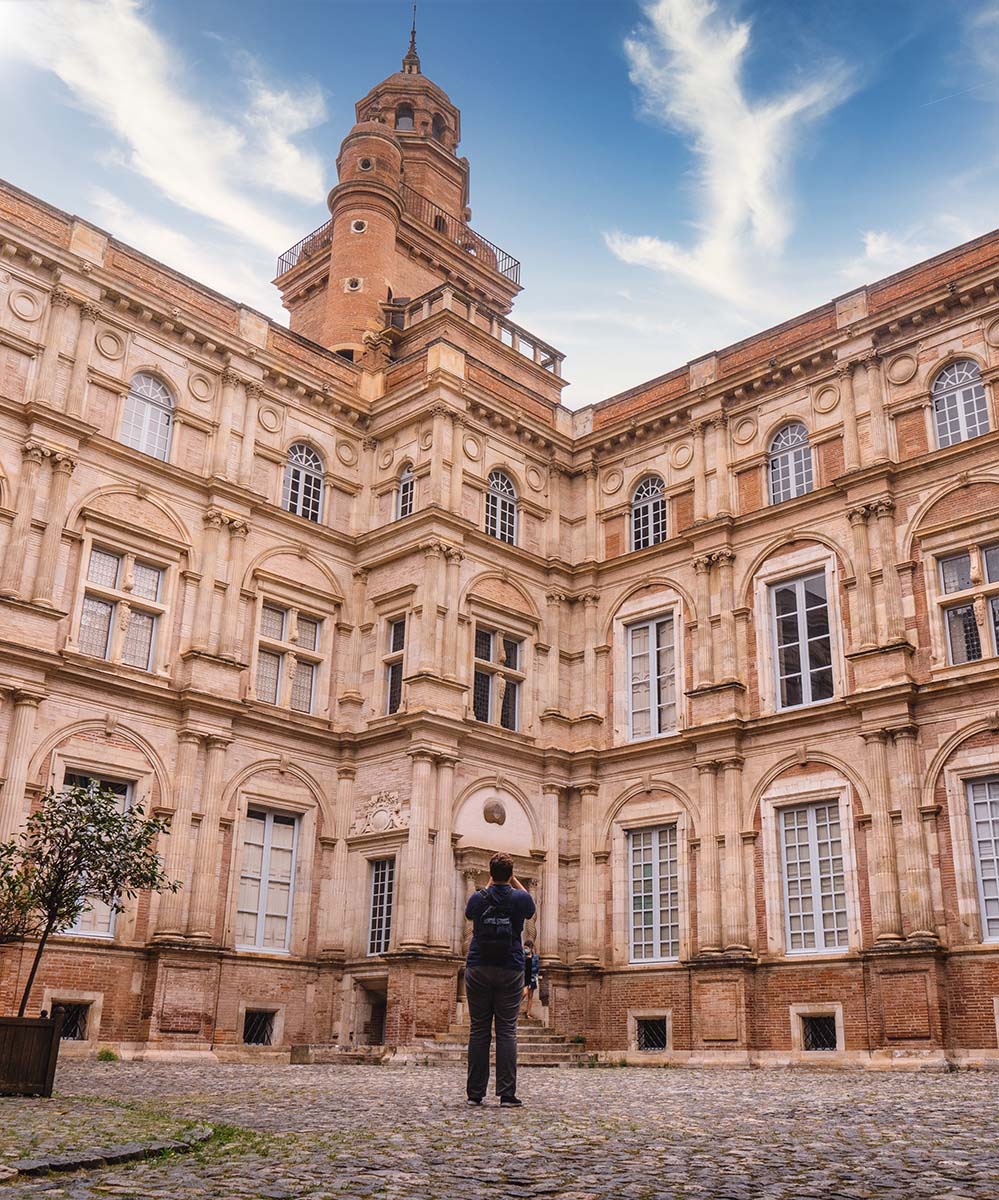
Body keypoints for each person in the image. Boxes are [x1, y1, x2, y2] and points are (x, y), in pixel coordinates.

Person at [464, 852, 535, 1107]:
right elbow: (530, 906)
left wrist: (492, 883)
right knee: (507, 1031)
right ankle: (506, 1094)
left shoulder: (478, 897)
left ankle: (475, 1094)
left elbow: (470, 914)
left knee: (479, 1031)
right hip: (510, 967)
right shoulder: (519, 898)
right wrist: (513, 880)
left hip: (478, 966)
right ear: (511, 873)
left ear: (491, 873)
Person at [521, 939, 540, 1020]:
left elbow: (537, 967)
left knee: (530, 996)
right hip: (525, 977)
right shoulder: (522, 956)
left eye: (529, 947)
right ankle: (514, 1007)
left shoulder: (535, 957)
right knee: (524, 993)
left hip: (532, 977)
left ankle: (528, 1013)